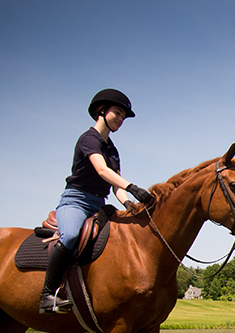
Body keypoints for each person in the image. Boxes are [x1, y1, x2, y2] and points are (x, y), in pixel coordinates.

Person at [40, 89, 155, 314]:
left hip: (99, 204)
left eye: (124, 117)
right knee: (71, 236)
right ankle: (47, 295)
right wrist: (133, 187)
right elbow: (102, 170)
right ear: (102, 111)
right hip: (76, 201)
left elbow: (115, 187)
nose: (121, 120)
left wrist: (129, 204)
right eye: (118, 113)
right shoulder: (88, 139)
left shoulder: (112, 149)